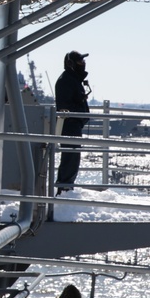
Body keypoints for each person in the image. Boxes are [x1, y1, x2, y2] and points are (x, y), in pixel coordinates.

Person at [54, 51, 90, 194]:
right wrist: (80, 113)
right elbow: (64, 106)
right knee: (70, 157)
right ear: (70, 64)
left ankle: (66, 187)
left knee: (73, 158)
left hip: (74, 124)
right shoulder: (66, 80)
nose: (83, 64)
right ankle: (64, 189)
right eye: (80, 62)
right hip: (70, 125)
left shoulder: (73, 79)